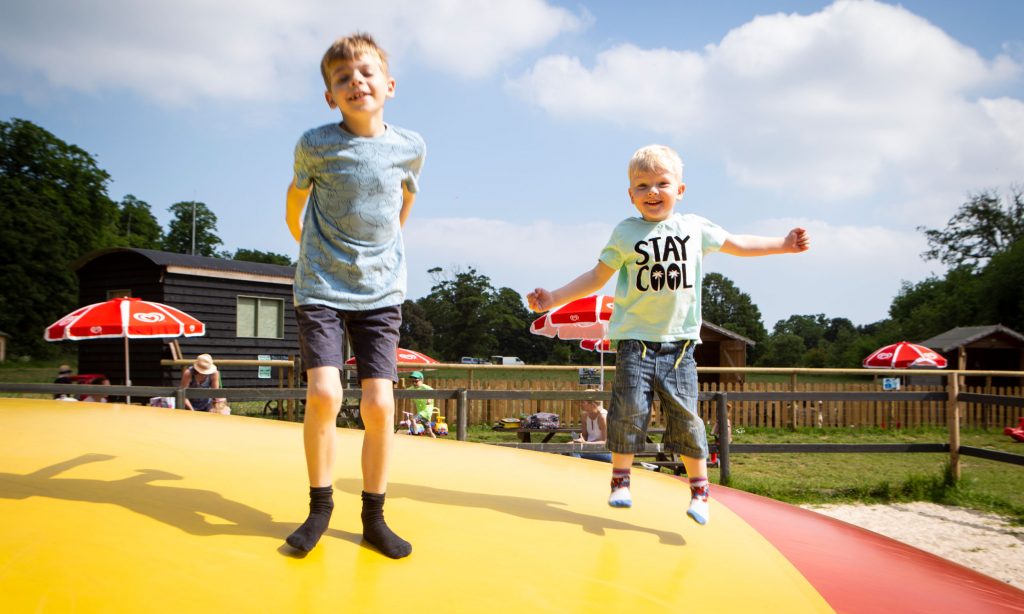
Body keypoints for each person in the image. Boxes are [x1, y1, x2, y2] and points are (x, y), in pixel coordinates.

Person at [528, 145, 809, 525]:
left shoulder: (694, 228)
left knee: (686, 418)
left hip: (679, 348)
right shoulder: (626, 232)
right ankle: (621, 481)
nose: (652, 192)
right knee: (629, 412)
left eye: (662, 183)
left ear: (680, 190)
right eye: (642, 185)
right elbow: (596, 277)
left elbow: (738, 244)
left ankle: (699, 490)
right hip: (634, 343)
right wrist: (555, 298)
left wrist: (783, 245)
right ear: (631, 195)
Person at [284, 32, 425, 557]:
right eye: (342, 78)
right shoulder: (315, 144)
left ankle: (374, 517)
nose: (355, 82)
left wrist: (389, 243)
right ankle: (320, 508)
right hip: (321, 281)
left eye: (365, 73)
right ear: (330, 96)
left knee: (380, 404)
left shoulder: (411, 147)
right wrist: (304, 245)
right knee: (324, 393)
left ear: (388, 85)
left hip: (381, 288)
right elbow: (295, 200)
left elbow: (404, 203)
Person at [568, 391, 612, 462]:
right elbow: (584, 437)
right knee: (564, 449)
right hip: (588, 448)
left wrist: (585, 443)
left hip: (604, 452)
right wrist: (577, 441)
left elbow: (605, 442)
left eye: (583, 402)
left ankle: (578, 471)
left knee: (574, 450)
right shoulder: (584, 416)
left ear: (592, 404)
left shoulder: (602, 417)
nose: (581, 404)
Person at [406, 371, 436, 438]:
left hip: (426, 411)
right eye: (412, 381)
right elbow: (405, 392)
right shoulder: (412, 388)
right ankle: (435, 440)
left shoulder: (425, 387)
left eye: (416, 381)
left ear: (421, 380)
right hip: (421, 412)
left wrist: (429, 399)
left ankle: (415, 430)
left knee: (413, 419)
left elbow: (432, 392)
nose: (414, 383)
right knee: (428, 431)